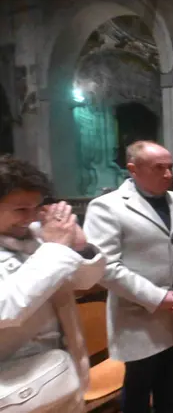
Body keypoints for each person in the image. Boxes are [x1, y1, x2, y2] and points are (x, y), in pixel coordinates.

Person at [83, 141, 173, 413]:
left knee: (169, 383)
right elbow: (106, 267)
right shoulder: (107, 207)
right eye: (158, 168)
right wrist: (157, 297)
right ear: (133, 169)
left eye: (170, 167)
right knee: (138, 389)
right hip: (139, 316)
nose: (169, 174)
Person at [0, 156, 106, 413]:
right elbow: (6, 310)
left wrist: (81, 248)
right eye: (21, 209)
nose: (31, 217)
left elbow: (84, 282)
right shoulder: (49, 245)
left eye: (36, 207)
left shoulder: (38, 236)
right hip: (14, 390)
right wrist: (55, 249)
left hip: (62, 376)